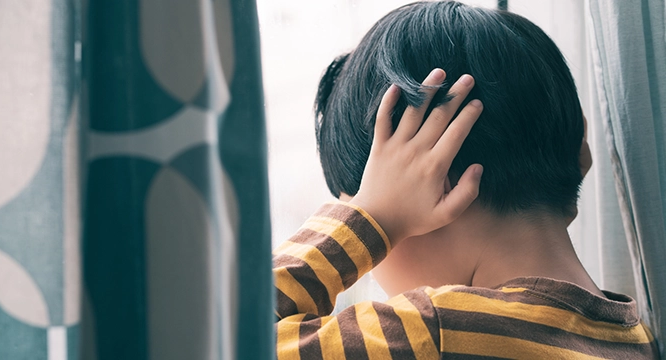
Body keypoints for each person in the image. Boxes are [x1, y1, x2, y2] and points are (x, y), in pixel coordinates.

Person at [273, 1, 660, 358]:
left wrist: (374, 217)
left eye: (358, 198)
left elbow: (227, 336)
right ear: (581, 155)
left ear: (434, 182)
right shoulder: (634, 336)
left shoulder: (432, 333)